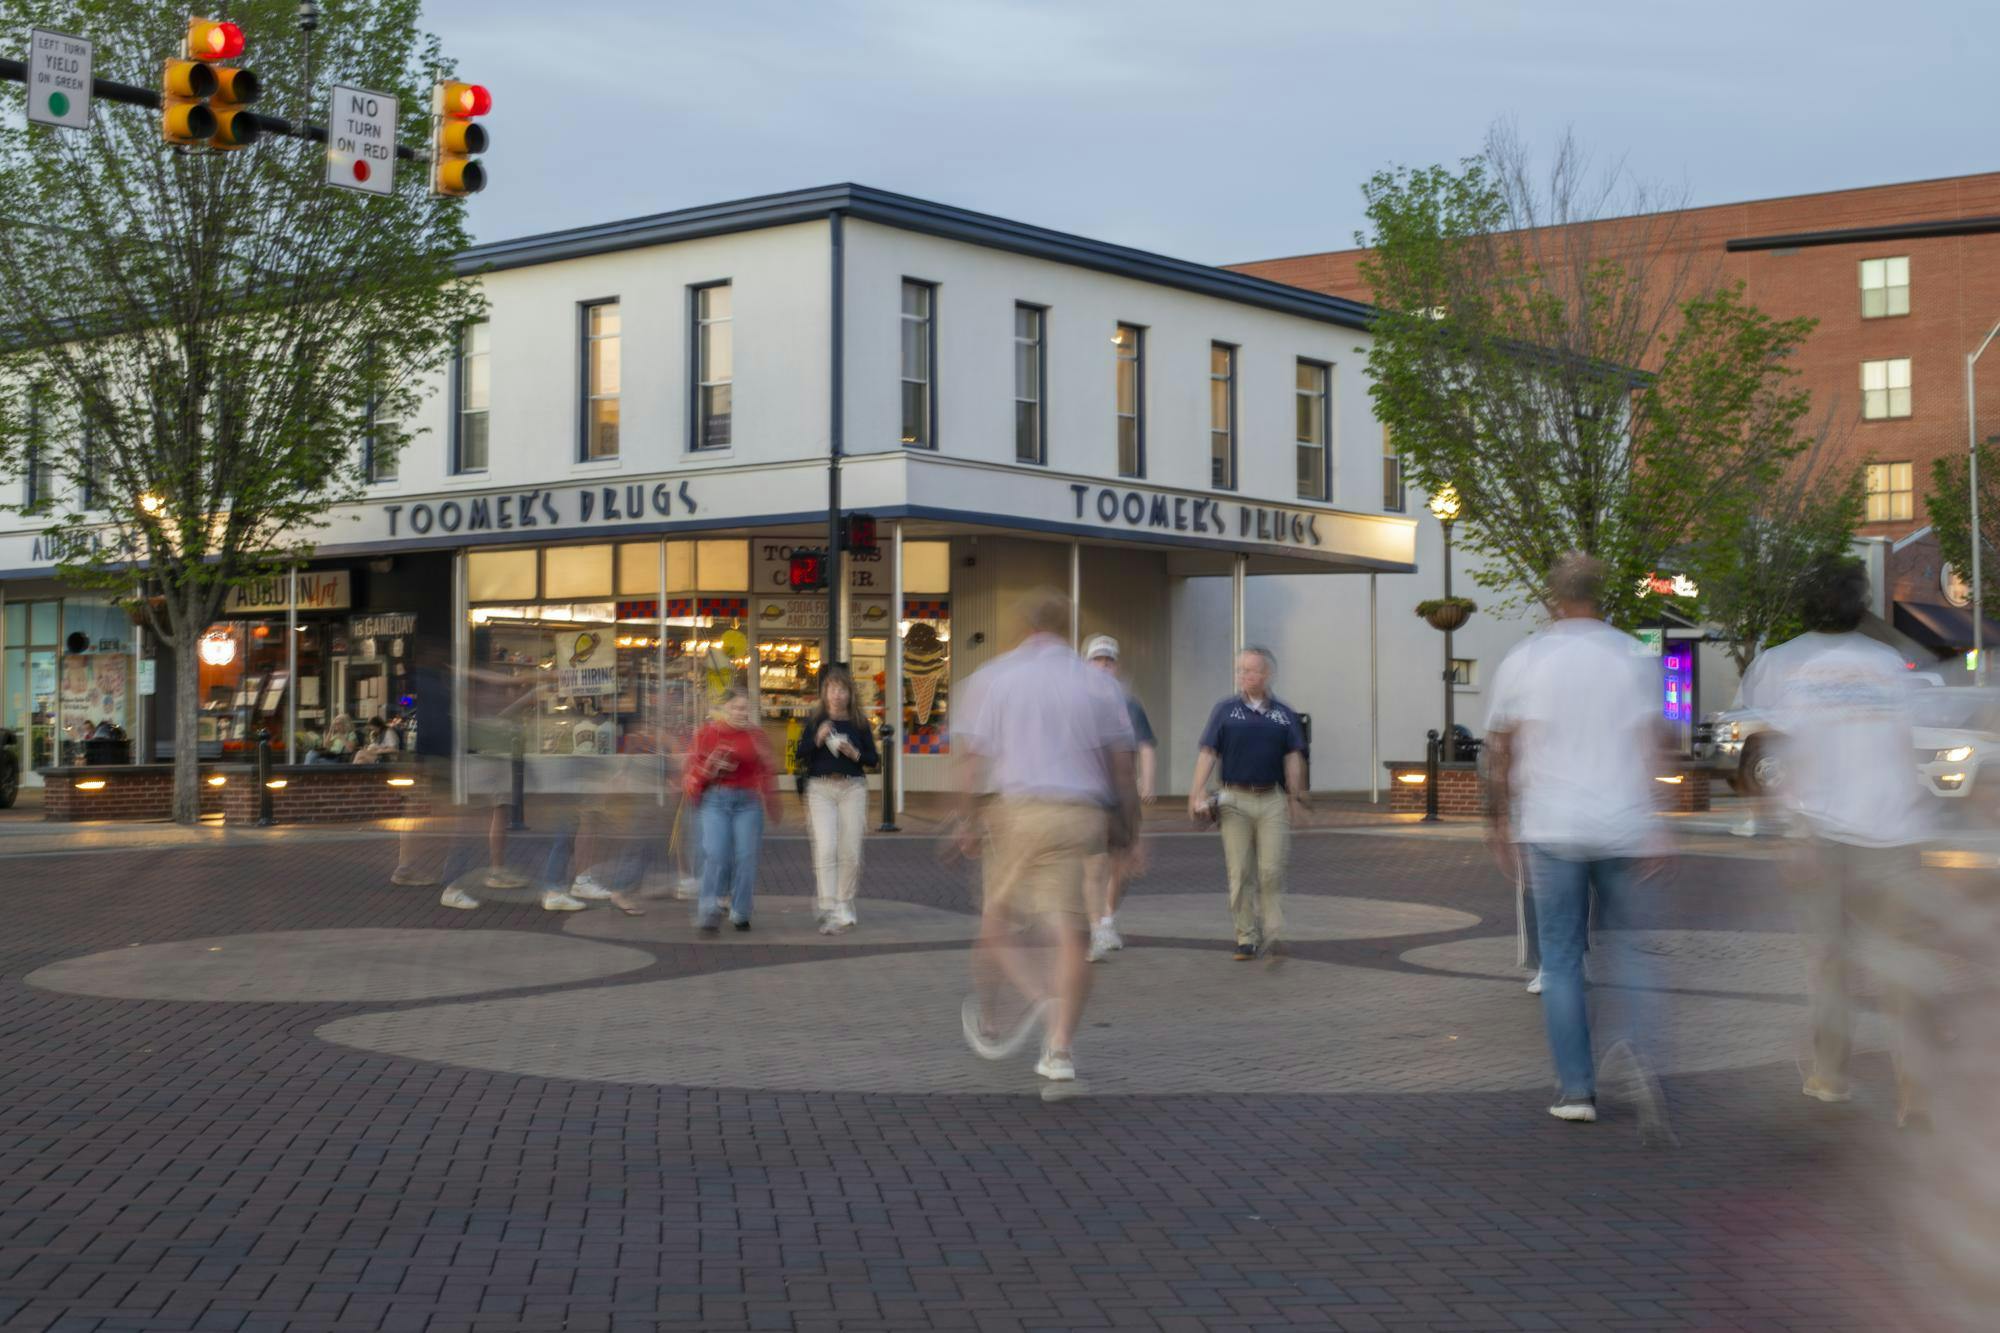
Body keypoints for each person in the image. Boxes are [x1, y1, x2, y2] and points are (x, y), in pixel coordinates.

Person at [1736, 555, 1936, 1120]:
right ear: (1860, 603)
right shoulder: (1888, 662)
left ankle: (1831, 1073)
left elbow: (1765, 759)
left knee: (1828, 959)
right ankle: (1913, 1090)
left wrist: (1782, 830)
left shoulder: (1777, 666)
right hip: (1894, 832)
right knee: (1901, 964)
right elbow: (1905, 746)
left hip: (1822, 835)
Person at [1482, 552, 1672, 1130]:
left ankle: (1576, 1090)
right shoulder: (1630, 657)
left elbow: (1500, 747)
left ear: (1552, 599)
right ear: (1602, 595)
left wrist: (1497, 823)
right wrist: (1659, 820)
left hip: (1552, 825)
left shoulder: (1527, 659)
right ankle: (1638, 1048)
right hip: (1620, 823)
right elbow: (1651, 741)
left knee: (1562, 962)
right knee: (1631, 950)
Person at [954, 590, 1139, 1086]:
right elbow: (1122, 766)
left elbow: (973, 759)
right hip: (1080, 815)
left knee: (996, 924)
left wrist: (967, 819)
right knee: (1070, 932)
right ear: (1069, 629)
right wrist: (1128, 831)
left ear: (1023, 628)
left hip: (1020, 813)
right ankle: (1059, 1049)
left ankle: (1039, 1000)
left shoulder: (995, 678)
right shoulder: (1097, 685)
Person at [1188, 648, 1307, 962]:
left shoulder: (1283, 713)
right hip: (1234, 800)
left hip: (1272, 800)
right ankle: (1246, 937)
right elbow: (1208, 752)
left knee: (1271, 870)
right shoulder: (1225, 710)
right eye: (1240, 670)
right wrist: (1195, 791)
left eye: (1251, 670)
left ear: (1266, 674)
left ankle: (1274, 932)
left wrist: (1295, 796)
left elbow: (1293, 755)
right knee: (1240, 871)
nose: (1244, 676)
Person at [1082, 635, 1156, 962]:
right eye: (1097, 660)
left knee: (1121, 860)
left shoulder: (1130, 704)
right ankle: (1097, 927)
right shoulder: (1076, 701)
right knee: (1094, 862)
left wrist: (1147, 782)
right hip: (1088, 794)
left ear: (1116, 666)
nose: (1103, 666)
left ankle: (1108, 918)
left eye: (1108, 661)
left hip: (1122, 794)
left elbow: (1145, 746)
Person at [685, 688, 780, 933]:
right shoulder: (708, 733)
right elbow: (692, 767)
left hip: (748, 801)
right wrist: (711, 767)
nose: (740, 712)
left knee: (746, 856)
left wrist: (772, 802)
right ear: (724, 708)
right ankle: (708, 909)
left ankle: (741, 911)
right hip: (716, 799)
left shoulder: (756, 735)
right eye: (735, 707)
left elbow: (768, 769)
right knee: (716, 854)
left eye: (744, 708)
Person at [796, 664, 879, 934]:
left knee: (851, 851)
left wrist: (855, 754)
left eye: (842, 689)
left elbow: (873, 759)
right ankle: (828, 904)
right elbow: (800, 753)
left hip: (852, 789)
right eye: (832, 688)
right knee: (826, 846)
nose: (837, 694)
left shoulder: (859, 723)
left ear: (849, 693)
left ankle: (845, 902)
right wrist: (817, 739)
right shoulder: (815, 721)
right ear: (824, 692)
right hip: (820, 789)